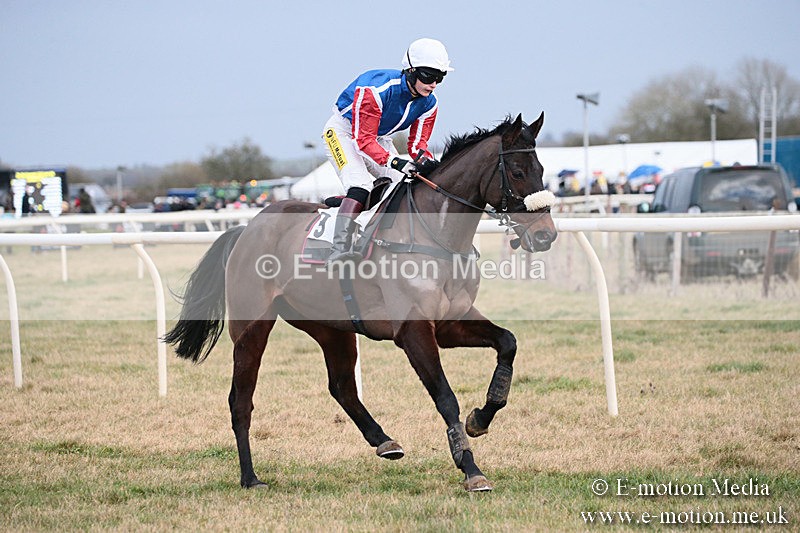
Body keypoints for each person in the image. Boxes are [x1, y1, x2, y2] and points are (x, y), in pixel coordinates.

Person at [322, 37, 453, 266]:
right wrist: (393, 161)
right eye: (429, 76)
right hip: (343, 132)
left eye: (439, 78)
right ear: (411, 71)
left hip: (379, 138)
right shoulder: (377, 90)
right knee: (360, 184)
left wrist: (432, 168)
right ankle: (339, 248)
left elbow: (417, 147)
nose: (433, 84)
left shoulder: (429, 103)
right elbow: (363, 141)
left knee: (405, 185)